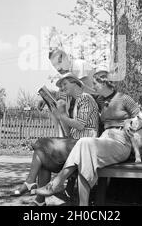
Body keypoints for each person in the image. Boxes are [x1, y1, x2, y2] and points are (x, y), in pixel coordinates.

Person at [35, 70, 142, 206]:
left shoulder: (124, 98)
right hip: (105, 140)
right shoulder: (100, 99)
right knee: (84, 153)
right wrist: (44, 99)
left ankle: (58, 182)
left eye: (95, 83)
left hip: (121, 141)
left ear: (104, 82)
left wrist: (130, 122)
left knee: (84, 143)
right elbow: (74, 91)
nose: (93, 86)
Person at [12, 72, 99, 206]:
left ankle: (30, 182)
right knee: (42, 158)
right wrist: (56, 112)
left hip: (84, 145)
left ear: (75, 83)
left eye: (65, 84)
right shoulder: (76, 102)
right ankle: (39, 201)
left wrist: (61, 116)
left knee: (41, 143)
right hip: (74, 143)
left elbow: (80, 125)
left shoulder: (85, 98)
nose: (62, 88)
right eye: (61, 85)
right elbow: (72, 130)